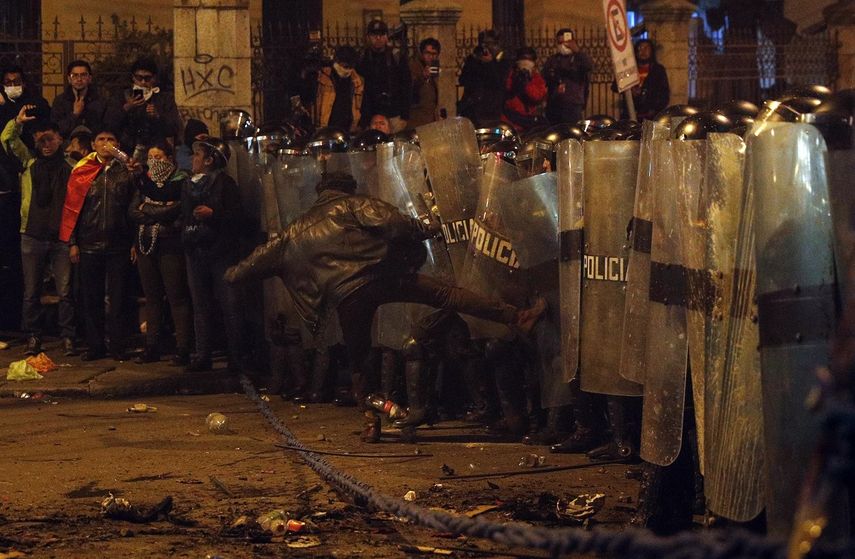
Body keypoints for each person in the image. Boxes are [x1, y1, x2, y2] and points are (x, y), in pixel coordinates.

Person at [224, 171, 547, 442]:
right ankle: (517, 316)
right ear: (348, 189)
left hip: (346, 296)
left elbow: (255, 262)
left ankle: (371, 423)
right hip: (384, 276)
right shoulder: (355, 204)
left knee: (360, 362)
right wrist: (425, 231)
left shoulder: (297, 228)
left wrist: (231, 273)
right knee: (447, 295)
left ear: (321, 192)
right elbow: (395, 223)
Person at [2, 106, 76, 356]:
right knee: (31, 290)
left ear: (59, 139)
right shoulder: (29, 161)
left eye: (50, 139)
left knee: (65, 291)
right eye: (41, 140)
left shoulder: (70, 166)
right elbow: (7, 140)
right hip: (32, 233)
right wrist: (17, 122)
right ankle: (33, 336)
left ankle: (68, 336)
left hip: (61, 236)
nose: (45, 144)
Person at [60, 129, 136, 361]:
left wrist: (134, 242)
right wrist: (73, 243)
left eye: (110, 139)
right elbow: (73, 209)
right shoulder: (82, 171)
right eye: (101, 140)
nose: (105, 144)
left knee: (119, 298)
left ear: (117, 144)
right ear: (93, 144)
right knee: (90, 298)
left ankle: (117, 346)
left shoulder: (127, 172)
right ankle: (95, 346)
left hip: (118, 244)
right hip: (89, 243)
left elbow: (133, 209)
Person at [182, 137, 245, 373]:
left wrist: (213, 214)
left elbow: (238, 217)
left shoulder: (225, 184)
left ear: (209, 160)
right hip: (196, 250)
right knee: (200, 305)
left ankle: (236, 358)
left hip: (221, 252)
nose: (193, 159)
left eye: (197, 155)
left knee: (230, 305)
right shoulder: (189, 184)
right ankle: (203, 354)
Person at [128, 142, 193, 366]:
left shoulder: (181, 181)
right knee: (152, 297)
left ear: (170, 159)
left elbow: (175, 212)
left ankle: (183, 347)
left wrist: (150, 210)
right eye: (150, 157)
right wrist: (156, 213)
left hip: (170, 244)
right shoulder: (144, 182)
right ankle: (152, 346)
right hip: (146, 244)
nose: (154, 162)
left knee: (176, 296)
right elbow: (134, 211)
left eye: (159, 157)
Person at [115, 57, 181, 154]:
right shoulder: (122, 96)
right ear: (133, 78)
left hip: (155, 150)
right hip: (128, 149)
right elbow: (112, 123)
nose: (143, 82)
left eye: (147, 78)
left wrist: (158, 116)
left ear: (154, 78)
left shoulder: (164, 99)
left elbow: (174, 127)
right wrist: (127, 108)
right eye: (139, 78)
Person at [357, 19, 412, 132]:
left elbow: (406, 85)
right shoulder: (362, 58)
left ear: (387, 36)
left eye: (382, 34)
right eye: (374, 35)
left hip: (394, 112)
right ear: (368, 37)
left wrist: (405, 114)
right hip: (370, 113)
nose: (378, 38)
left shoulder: (396, 57)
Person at [50, 60, 118, 139]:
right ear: (69, 79)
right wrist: (75, 114)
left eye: (83, 75)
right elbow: (56, 130)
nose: (79, 79)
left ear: (89, 78)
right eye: (74, 75)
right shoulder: (60, 100)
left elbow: (107, 126)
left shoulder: (101, 100)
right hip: (67, 143)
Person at [457, 29, 510, 127]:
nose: (485, 47)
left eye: (488, 43)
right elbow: (463, 80)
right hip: (472, 109)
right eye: (483, 43)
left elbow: (498, 83)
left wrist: (489, 63)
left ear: (497, 45)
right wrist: (475, 62)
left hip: (490, 111)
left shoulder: (503, 62)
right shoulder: (474, 59)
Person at [542, 28, 593, 125]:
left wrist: (577, 51)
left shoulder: (578, 59)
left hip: (573, 105)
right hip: (554, 104)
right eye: (560, 42)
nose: (563, 46)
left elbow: (589, 66)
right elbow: (544, 76)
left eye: (566, 42)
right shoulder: (553, 60)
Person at [308, 46, 364, 133]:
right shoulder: (321, 77)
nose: (348, 70)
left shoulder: (357, 81)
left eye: (351, 67)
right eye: (345, 66)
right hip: (325, 127)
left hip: (348, 128)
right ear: (337, 61)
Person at [502, 47, 547, 133]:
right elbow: (508, 90)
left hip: (528, 121)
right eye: (523, 59)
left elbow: (536, 97)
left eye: (529, 60)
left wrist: (527, 82)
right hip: (511, 120)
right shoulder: (510, 74)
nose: (525, 64)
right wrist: (516, 78)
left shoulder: (536, 78)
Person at [625, 39, 670, 121]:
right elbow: (616, 85)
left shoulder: (658, 70)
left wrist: (654, 109)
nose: (643, 51)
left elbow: (664, 94)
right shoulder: (631, 70)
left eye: (646, 48)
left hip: (651, 117)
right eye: (640, 48)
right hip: (632, 116)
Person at [408, 38, 441, 128]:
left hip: (431, 119)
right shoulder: (413, 66)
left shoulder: (434, 68)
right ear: (422, 53)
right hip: (417, 119)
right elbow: (409, 91)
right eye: (427, 53)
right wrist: (422, 77)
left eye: (434, 54)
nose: (431, 57)